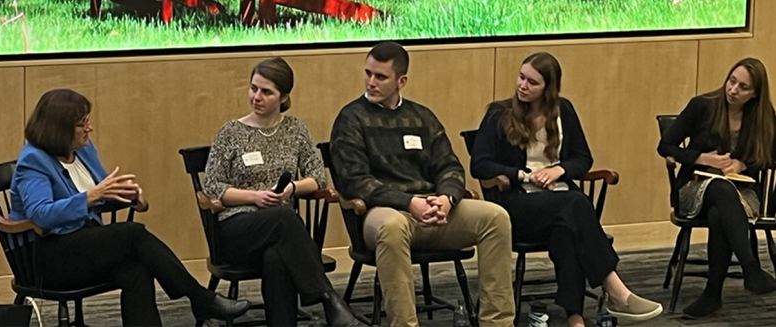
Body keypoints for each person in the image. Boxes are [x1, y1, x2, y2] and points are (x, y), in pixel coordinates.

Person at [9, 89, 250, 327]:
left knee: (136, 271)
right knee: (131, 233)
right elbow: (41, 214)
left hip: (83, 244)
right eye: (82, 124)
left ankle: (199, 300)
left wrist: (128, 196)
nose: (89, 129)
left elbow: (102, 195)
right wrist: (90, 197)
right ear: (59, 128)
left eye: (87, 122)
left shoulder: (83, 150)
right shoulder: (33, 161)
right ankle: (200, 298)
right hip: (47, 258)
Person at [329, 41, 516, 327]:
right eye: (368, 73)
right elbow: (355, 182)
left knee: (495, 217)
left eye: (380, 77)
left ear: (401, 81)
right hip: (382, 212)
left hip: (432, 208)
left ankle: (498, 322)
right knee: (391, 227)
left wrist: (447, 199)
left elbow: (449, 166)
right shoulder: (351, 118)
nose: (371, 82)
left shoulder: (422, 117)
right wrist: (408, 203)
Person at [471, 52, 662, 327]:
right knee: (575, 203)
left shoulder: (564, 111)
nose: (522, 86)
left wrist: (558, 170)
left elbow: (583, 159)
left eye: (532, 82)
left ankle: (575, 318)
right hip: (517, 206)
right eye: (521, 77)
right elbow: (480, 164)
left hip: (558, 202)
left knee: (568, 229)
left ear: (547, 89)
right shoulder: (499, 114)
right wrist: (522, 174)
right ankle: (617, 291)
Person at [203, 57, 362, 327]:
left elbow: (318, 178)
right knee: (284, 219)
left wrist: (291, 188)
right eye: (254, 88)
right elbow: (212, 187)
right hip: (237, 227)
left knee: (277, 256)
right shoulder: (230, 132)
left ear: (284, 96)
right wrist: (255, 196)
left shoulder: (296, 129)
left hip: (281, 234)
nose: (257, 97)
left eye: (267, 92)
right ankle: (329, 299)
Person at [658, 57, 776, 318]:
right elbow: (665, 146)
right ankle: (750, 267)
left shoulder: (763, 116)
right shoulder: (703, 106)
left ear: (755, 93)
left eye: (743, 87)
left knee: (719, 212)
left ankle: (713, 295)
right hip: (694, 186)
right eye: (732, 81)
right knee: (720, 189)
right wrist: (702, 158)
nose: (733, 90)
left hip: (742, 194)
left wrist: (742, 164)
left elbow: (770, 156)